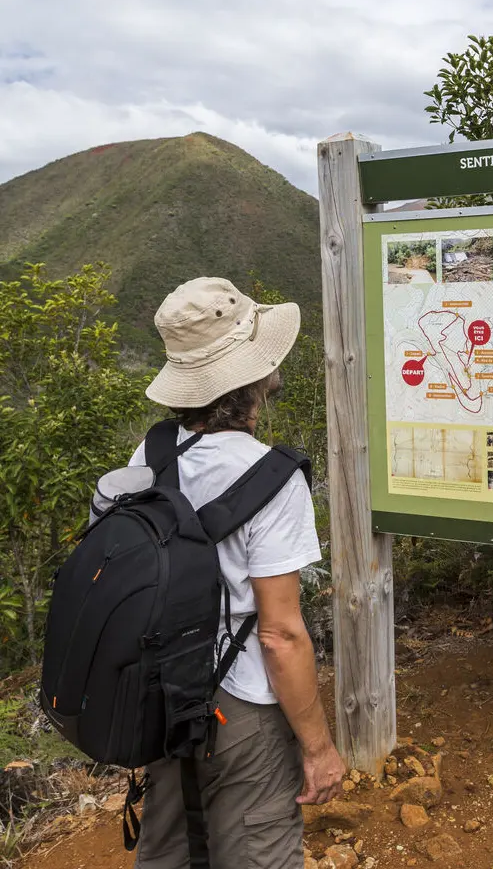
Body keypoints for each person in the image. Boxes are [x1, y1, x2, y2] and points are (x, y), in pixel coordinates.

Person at [133, 277, 345, 869]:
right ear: (253, 376)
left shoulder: (149, 457)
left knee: (171, 851)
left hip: (163, 692)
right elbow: (279, 636)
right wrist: (319, 747)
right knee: (257, 850)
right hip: (241, 702)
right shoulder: (272, 479)